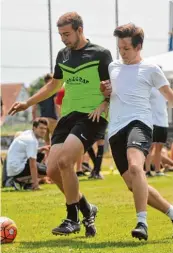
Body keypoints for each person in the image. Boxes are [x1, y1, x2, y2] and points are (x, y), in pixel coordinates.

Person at [8, 12, 112, 237]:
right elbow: (54, 85)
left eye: (67, 34)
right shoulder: (62, 55)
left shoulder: (101, 54)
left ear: (79, 30)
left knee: (66, 162)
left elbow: (113, 85)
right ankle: (87, 208)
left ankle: (72, 218)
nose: (64, 39)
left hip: (91, 117)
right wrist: (27, 102)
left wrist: (104, 103)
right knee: (53, 170)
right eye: (60, 35)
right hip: (68, 117)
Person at [94, 23, 173, 241]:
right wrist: (105, 94)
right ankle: (171, 212)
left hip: (140, 124)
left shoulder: (151, 69)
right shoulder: (113, 67)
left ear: (139, 47)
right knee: (133, 184)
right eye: (120, 48)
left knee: (136, 166)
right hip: (116, 130)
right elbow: (110, 93)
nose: (122, 53)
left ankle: (142, 223)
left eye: (127, 49)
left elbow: (169, 95)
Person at [6, 118, 49, 190]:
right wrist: (36, 185)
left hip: (14, 168)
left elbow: (27, 152)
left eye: (45, 129)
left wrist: (41, 149)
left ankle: (25, 184)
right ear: (34, 128)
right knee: (47, 171)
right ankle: (19, 180)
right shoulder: (32, 140)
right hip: (17, 170)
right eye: (41, 128)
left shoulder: (28, 133)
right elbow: (32, 165)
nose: (43, 131)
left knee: (40, 154)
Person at [145, 87, 169, 176]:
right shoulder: (151, 89)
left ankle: (158, 170)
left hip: (163, 122)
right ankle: (147, 171)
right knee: (150, 147)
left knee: (159, 148)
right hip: (152, 122)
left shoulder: (165, 90)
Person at [32, 73, 59, 145]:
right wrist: (60, 116)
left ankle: (48, 156)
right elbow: (56, 105)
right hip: (52, 119)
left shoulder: (39, 92)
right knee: (56, 140)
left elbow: (33, 108)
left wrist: (35, 119)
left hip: (43, 121)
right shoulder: (53, 91)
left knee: (46, 142)